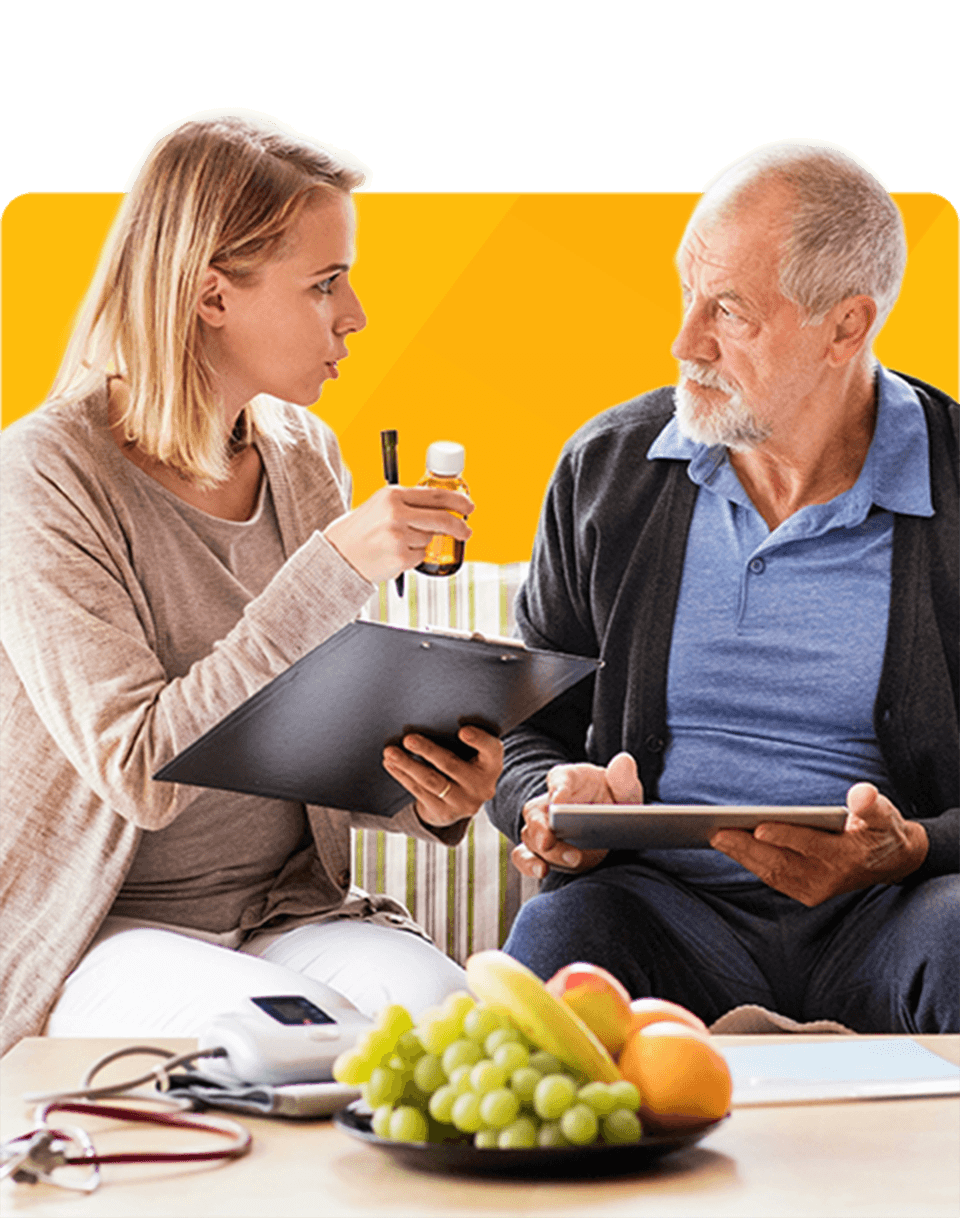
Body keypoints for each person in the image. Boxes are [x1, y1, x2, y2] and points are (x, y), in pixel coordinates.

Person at [0, 109, 503, 1055]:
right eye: (324, 284)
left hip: (289, 909)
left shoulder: (306, 456)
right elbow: (141, 772)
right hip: (103, 931)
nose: (353, 315)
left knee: (457, 1025)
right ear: (210, 297)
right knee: (309, 1043)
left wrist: (425, 789)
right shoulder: (42, 477)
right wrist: (334, 569)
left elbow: (300, 740)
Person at [489, 139, 958, 1034]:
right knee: (558, 943)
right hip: (657, 910)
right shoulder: (607, 470)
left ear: (846, 327)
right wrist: (549, 804)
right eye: (686, 294)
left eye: (729, 311)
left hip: (896, 918)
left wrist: (914, 849)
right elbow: (523, 734)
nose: (683, 342)